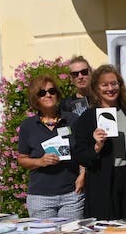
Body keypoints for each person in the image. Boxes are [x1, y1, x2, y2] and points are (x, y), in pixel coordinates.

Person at [72, 64, 126, 220]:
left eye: (114, 83)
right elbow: (80, 156)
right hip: (102, 182)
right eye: (104, 85)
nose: (110, 88)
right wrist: (96, 147)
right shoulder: (87, 118)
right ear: (96, 88)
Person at [16, 74, 85, 219]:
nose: (48, 95)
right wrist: (39, 161)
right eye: (42, 93)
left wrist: (83, 174)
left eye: (52, 91)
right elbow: (22, 159)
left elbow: (83, 152)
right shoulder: (28, 125)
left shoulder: (72, 120)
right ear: (36, 98)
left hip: (71, 195)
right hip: (40, 197)